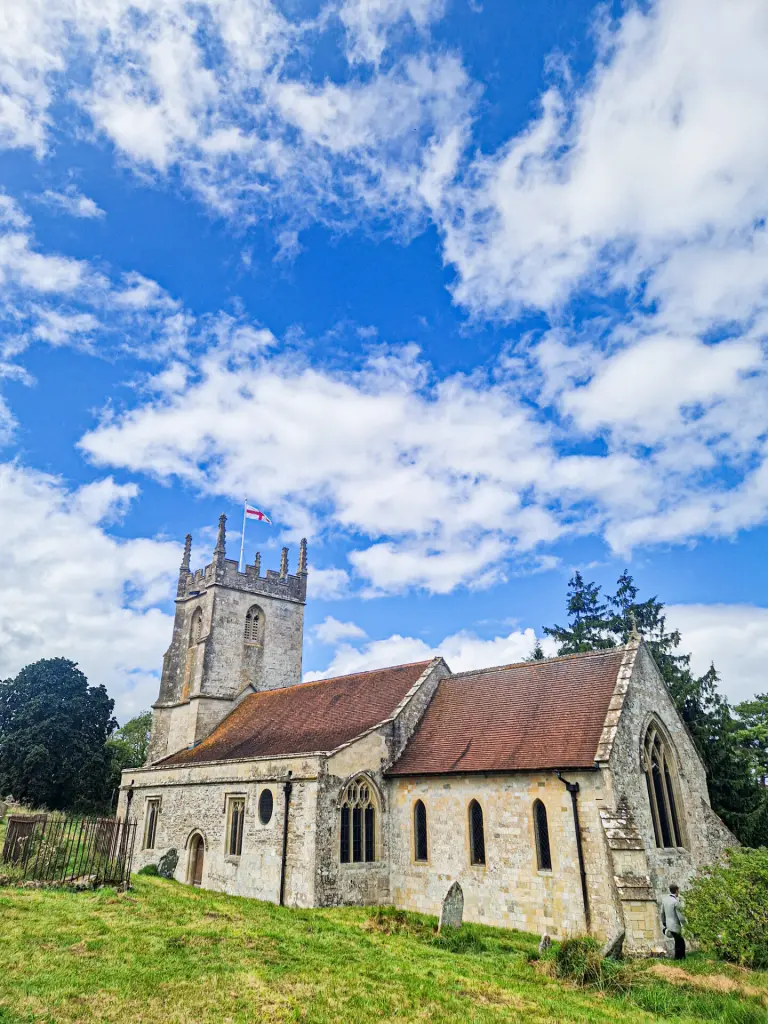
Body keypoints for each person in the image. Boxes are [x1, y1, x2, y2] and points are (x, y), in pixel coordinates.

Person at [660, 884, 686, 960]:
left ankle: (679, 957)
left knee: (678, 941)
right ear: (677, 890)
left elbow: (662, 913)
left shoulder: (665, 900)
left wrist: (664, 922)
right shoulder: (675, 902)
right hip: (675, 925)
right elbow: (680, 915)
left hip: (668, 924)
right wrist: (684, 924)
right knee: (680, 942)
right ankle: (679, 958)